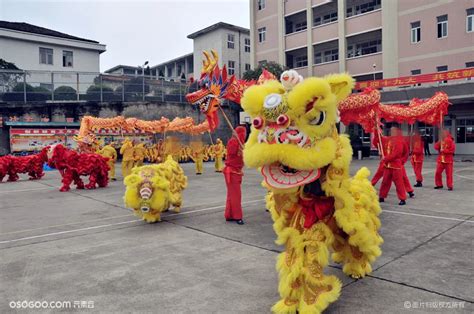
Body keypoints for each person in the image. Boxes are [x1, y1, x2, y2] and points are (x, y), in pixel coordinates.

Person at [223, 126, 246, 224]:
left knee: (231, 195)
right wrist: (236, 140)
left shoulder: (242, 144)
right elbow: (231, 152)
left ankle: (229, 215)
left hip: (237, 171)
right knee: (236, 195)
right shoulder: (233, 142)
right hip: (232, 172)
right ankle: (237, 216)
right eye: (244, 133)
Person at [379, 127, 407, 205]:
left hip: (396, 165)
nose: (392, 132)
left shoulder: (399, 141)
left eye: (393, 130)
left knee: (399, 183)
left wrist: (385, 159)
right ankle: (382, 196)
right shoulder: (389, 139)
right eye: (391, 130)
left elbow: (396, 154)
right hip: (388, 165)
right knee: (385, 182)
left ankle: (402, 198)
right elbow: (380, 143)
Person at [400, 132, 415, 198]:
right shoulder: (388, 141)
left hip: (398, 164)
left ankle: (409, 191)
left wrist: (402, 161)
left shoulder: (403, 142)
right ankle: (382, 195)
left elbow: (406, 153)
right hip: (386, 163)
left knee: (403, 178)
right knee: (385, 180)